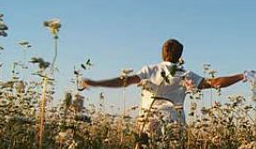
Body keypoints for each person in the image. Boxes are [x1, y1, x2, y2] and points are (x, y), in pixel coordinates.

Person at [81, 39, 245, 133]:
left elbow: (124, 81)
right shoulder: (184, 73)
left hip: (147, 124)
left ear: (163, 53)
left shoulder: (150, 70)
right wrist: (241, 76)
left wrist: (97, 83)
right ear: (180, 56)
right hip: (175, 126)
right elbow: (215, 83)